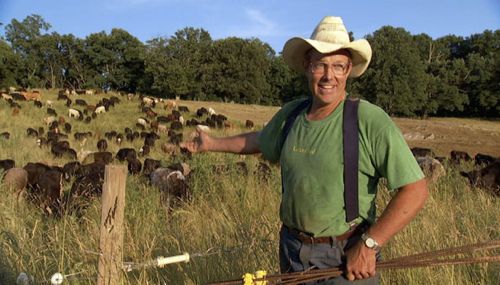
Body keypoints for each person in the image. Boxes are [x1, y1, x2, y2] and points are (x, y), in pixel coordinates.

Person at [181, 16, 428, 284]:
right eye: (320, 64)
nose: (328, 76)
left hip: (347, 258)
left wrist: (370, 244)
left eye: (338, 66)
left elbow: (415, 189)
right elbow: (259, 141)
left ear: (348, 71)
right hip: (292, 251)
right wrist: (210, 143)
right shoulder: (291, 115)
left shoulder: (369, 120)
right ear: (307, 67)